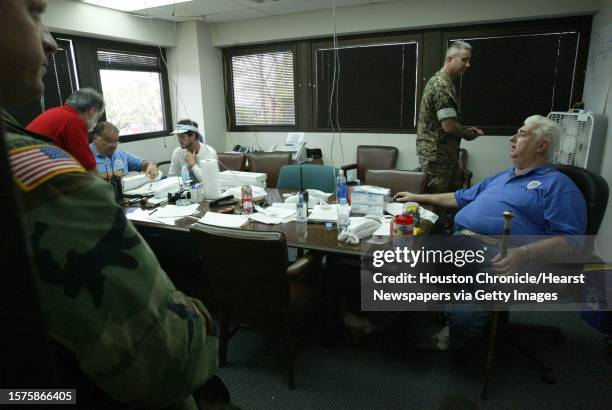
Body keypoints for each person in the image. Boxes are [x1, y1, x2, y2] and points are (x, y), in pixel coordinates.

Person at [0, 1, 220, 408]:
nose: (50, 42)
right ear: (92, 122)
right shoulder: (42, 169)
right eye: (33, 12)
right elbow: (173, 358)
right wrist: (204, 322)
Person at [395, 115, 587, 352]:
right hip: (459, 242)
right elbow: (458, 197)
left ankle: (458, 339)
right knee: (399, 265)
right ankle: (381, 324)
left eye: (522, 134)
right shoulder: (502, 176)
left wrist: (523, 254)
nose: (513, 138)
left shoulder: (558, 185)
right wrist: (417, 197)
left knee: (463, 316)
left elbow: (573, 240)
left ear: (541, 145)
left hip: (501, 256)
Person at [417, 41, 485, 194]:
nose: (468, 64)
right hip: (438, 156)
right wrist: (467, 135)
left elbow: (447, 121)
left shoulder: (445, 83)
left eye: (469, 60)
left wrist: (463, 129)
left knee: (449, 199)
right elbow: (448, 126)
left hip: (443, 154)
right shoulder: (441, 86)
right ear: (450, 59)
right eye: (464, 60)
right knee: (438, 201)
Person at [26, 87, 104, 170]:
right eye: (98, 117)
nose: (97, 122)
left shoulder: (54, 112)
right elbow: (89, 170)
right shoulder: (73, 121)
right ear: (92, 111)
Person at [90, 121, 158, 180]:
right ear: (95, 138)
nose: (113, 145)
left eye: (116, 141)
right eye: (108, 141)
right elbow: (79, 181)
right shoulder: (84, 155)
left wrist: (150, 165)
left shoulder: (121, 154)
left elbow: (143, 163)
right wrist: (103, 176)